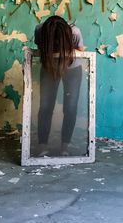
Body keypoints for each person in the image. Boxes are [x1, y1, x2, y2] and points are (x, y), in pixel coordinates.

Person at [34, 15, 84, 156]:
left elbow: (81, 51)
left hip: (72, 67)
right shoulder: (40, 29)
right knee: (45, 106)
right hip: (49, 65)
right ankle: (42, 146)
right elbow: (39, 47)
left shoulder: (75, 32)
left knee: (70, 107)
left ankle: (65, 147)